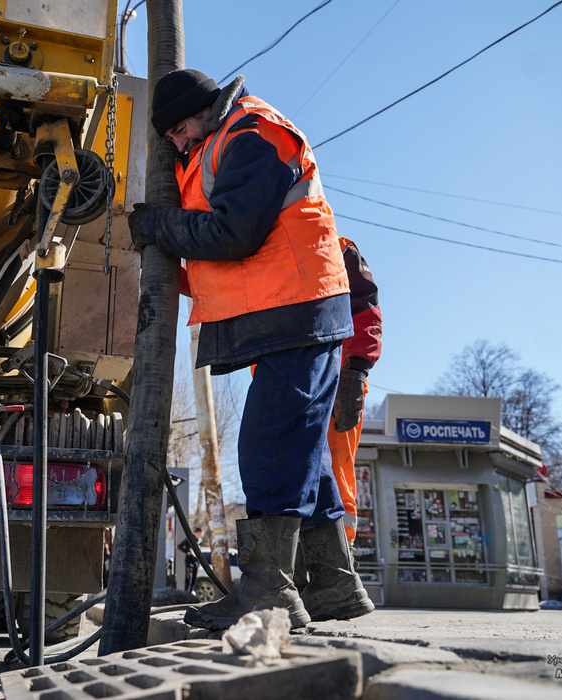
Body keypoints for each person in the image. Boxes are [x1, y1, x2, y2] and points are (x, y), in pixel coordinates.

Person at [128, 68, 366, 630]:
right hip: (293, 312)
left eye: (181, 129)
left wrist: (161, 226)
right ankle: (334, 589)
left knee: (269, 444)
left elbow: (233, 233)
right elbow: (225, 252)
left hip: (299, 310)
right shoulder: (225, 139)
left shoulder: (250, 133)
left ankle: (267, 593)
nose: (179, 143)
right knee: (299, 452)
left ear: (203, 109)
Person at [294, 237, 381, 622]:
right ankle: (304, 583)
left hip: (335, 378)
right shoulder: (269, 243)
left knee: (332, 472)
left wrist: (355, 369)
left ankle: (336, 577)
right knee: (296, 475)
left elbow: (364, 307)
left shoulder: (335, 246)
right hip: (298, 383)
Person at [177, 526, 204, 592]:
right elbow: (179, 546)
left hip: (196, 561)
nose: (200, 535)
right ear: (196, 533)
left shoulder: (200, 541)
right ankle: (187, 592)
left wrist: (199, 563)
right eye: (199, 533)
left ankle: (192, 591)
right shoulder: (190, 539)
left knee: (194, 579)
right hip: (189, 561)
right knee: (189, 578)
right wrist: (187, 551)